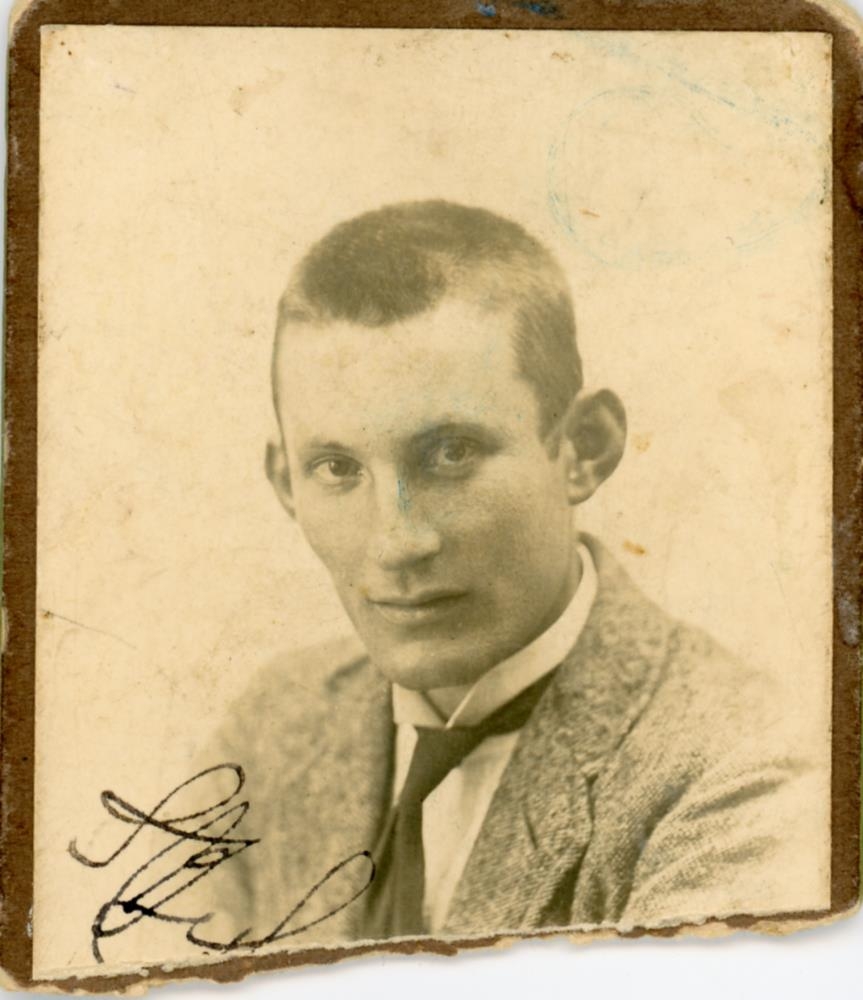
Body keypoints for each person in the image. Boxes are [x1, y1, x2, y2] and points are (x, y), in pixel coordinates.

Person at [205, 200, 820, 949]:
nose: (396, 542)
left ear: (583, 448)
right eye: (336, 468)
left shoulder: (743, 770)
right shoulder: (272, 726)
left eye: (451, 454)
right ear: (284, 483)